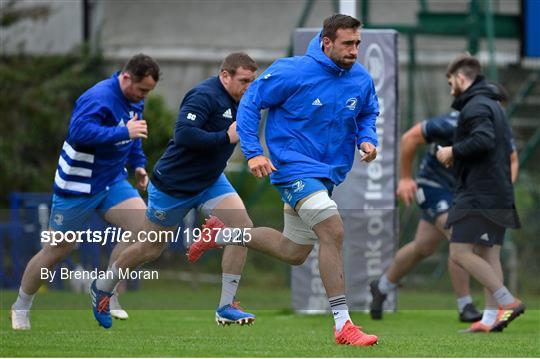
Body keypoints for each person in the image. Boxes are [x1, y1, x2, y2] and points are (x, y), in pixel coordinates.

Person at [188, 14, 379, 346]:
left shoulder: (360, 79)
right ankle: (343, 325)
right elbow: (251, 102)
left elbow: (367, 112)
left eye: (357, 43)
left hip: (327, 173)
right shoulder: (292, 71)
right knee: (332, 230)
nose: (354, 50)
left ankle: (222, 234)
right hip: (292, 168)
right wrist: (254, 151)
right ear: (327, 43)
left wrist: (367, 138)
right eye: (347, 43)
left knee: (294, 252)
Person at [89, 53, 258, 329]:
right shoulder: (204, 96)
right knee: (150, 248)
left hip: (210, 181)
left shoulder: (247, 99)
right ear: (225, 76)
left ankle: (226, 305)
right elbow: (184, 134)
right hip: (173, 186)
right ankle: (103, 286)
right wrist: (225, 137)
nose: (249, 87)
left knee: (242, 228)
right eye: (244, 81)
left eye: (252, 81)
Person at [10, 54, 160, 330]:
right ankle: (21, 306)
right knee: (57, 250)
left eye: (148, 91)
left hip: (112, 181)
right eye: (141, 89)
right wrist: (122, 132)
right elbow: (79, 132)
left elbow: (134, 134)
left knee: (146, 229)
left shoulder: (136, 98)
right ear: (126, 77)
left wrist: (138, 166)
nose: (144, 96)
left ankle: (106, 291)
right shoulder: (98, 97)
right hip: (78, 184)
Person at [369, 83, 519, 322]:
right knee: (460, 237)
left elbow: (512, 159)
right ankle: (466, 306)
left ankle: (383, 285)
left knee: (423, 246)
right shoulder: (453, 122)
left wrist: (504, 186)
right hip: (434, 187)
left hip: (465, 193)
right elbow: (409, 138)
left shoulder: (498, 130)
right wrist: (406, 178)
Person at [436, 54, 525, 333]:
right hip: (498, 192)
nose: (450, 89)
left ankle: (507, 301)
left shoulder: (474, 106)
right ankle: (489, 320)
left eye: (451, 82)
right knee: (489, 255)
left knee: (460, 251)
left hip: (479, 193)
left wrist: (452, 151)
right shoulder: (493, 105)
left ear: (461, 79)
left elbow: (483, 140)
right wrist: (460, 157)